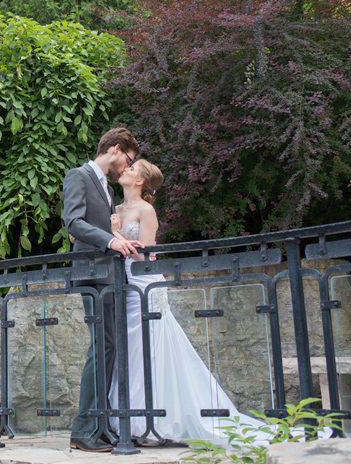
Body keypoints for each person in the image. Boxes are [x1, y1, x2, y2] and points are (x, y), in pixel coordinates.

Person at [106, 159, 263, 447]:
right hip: (120, 285)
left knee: (148, 350)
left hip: (144, 283)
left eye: (131, 169)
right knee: (127, 351)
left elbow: (145, 256)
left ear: (139, 181)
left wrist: (115, 234)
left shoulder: (145, 210)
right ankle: (127, 418)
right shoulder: (114, 209)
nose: (125, 169)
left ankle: (151, 421)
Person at [62, 127, 142, 453]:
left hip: (108, 275)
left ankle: (100, 425)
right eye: (128, 159)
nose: (127, 167)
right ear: (115, 148)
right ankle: (84, 429)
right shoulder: (78, 176)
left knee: (108, 348)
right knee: (102, 348)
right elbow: (73, 222)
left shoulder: (106, 187)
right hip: (92, 276)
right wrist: (111, 240)